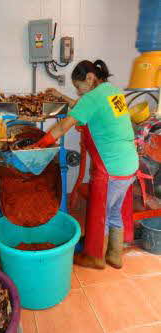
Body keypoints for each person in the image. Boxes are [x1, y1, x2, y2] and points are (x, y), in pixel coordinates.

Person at [32, 59, 139, 270]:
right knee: (115, 211)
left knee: (101, 215)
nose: (79, 93)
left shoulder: (92, 98)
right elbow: (86, 108)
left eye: (79, 87)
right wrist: (61, 97)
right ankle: (115, 255)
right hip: (129, 164)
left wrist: (39, 144)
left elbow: (63, 127)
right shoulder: (113, 92)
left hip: (111, 168)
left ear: (89, 79)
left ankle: (95, 257)